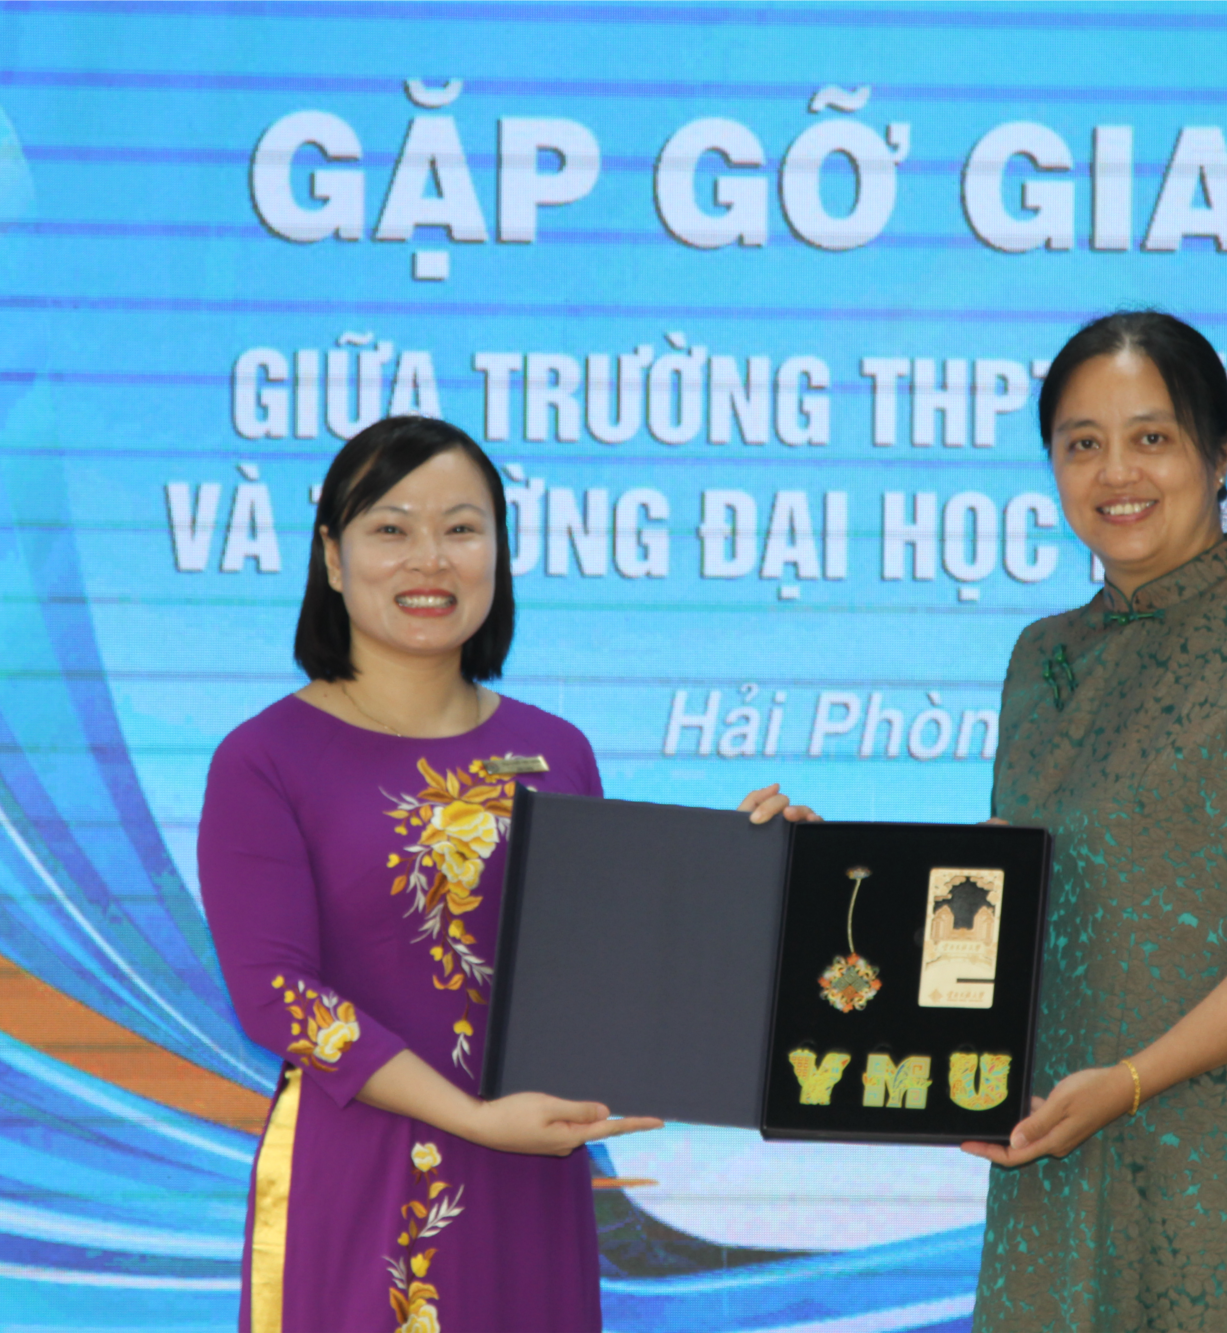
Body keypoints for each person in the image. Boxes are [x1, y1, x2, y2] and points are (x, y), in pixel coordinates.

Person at [198, 416, 809, 1333]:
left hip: (534, 1175)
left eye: (462, 528)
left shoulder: (556, 750)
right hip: (363, 1184)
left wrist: (761, 875)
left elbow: (610, 969)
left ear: (500, 552)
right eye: (391, 528)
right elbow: (277, 996)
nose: (430, 558)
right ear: (331, 558)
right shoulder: (264, 759)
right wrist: (473, 1117)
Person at [960, 312, 1227, 1331]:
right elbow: (998, 911)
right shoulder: (1042, 660)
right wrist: (824, 873)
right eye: (1082, 443)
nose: (1116, 472)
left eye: (1150, 436)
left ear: (1219, 450)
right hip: (1058, 1151)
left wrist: (1130, 1081)